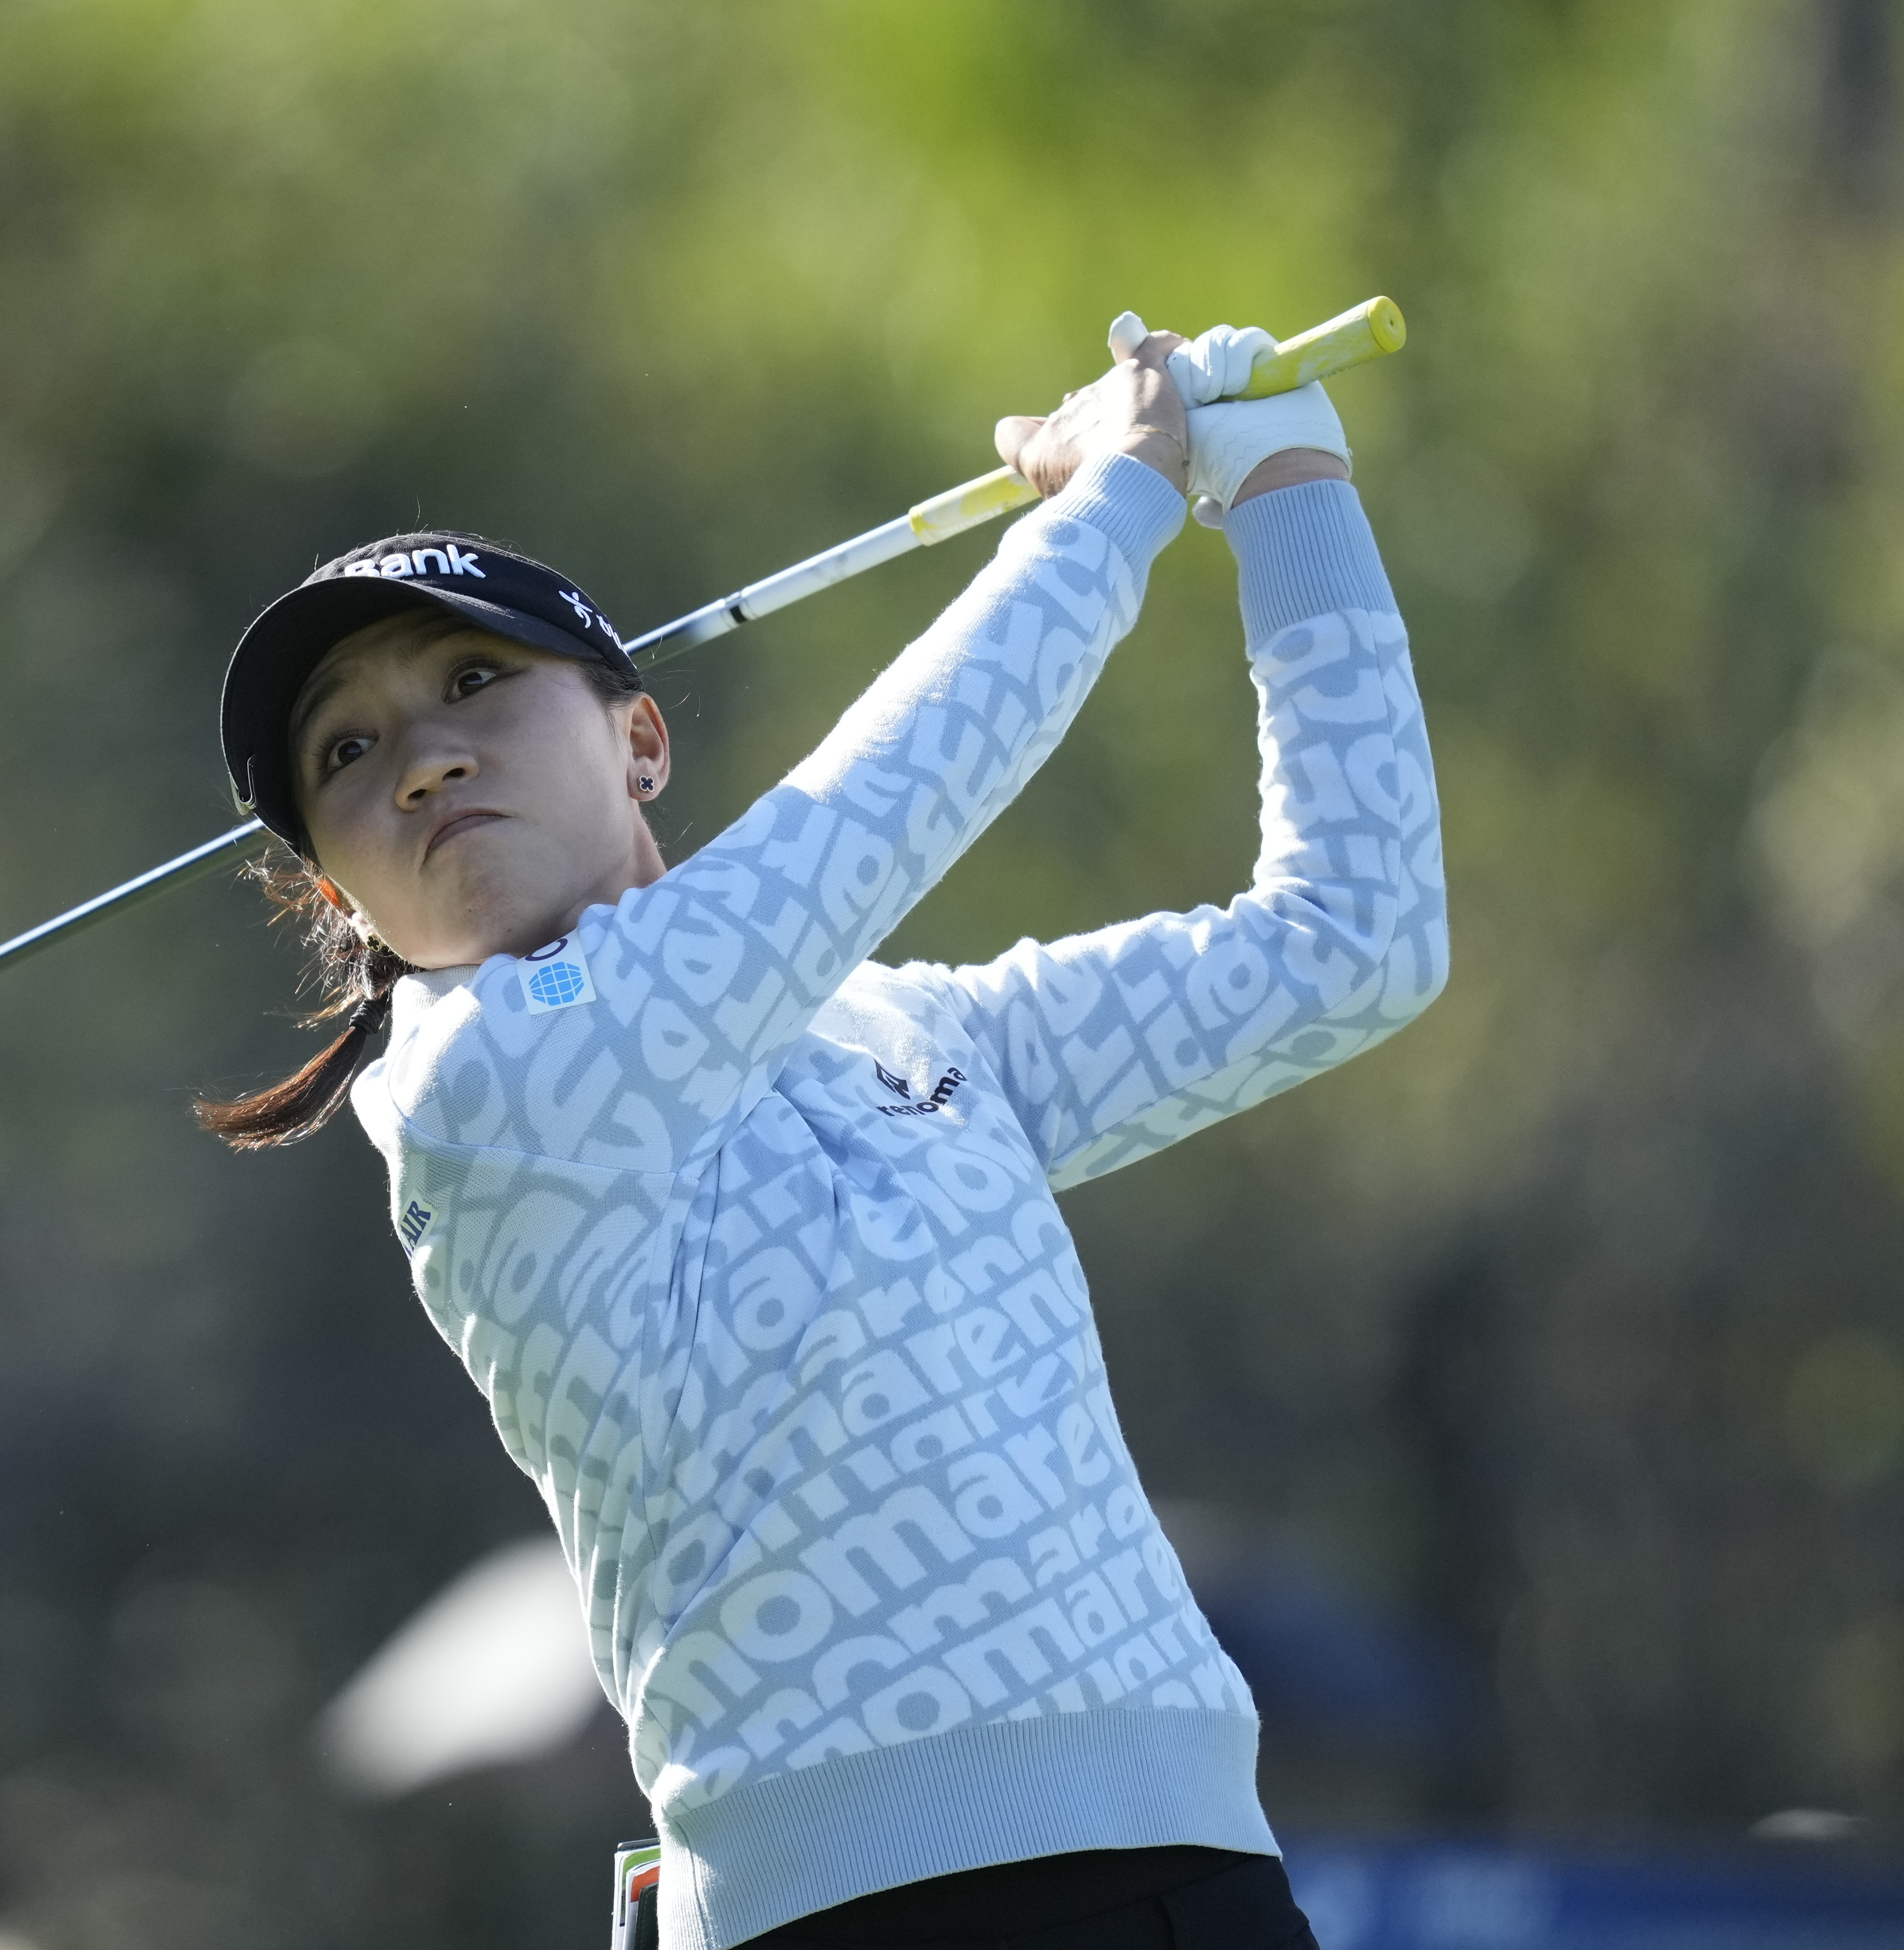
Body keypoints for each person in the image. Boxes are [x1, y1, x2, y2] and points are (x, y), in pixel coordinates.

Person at [202, 317, 1446, 1950]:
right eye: (346, 754)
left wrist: (1289, 480)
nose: (424, 755)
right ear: (336, 890)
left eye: (476, 680)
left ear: (639, 738)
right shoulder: (473, 1098)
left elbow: (1354, 943)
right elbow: (868, 818)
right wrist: (1115, 505)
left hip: (1202, 1879)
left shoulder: (913, 1035)